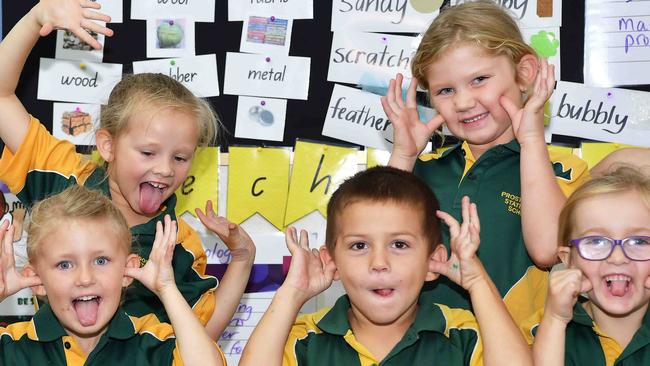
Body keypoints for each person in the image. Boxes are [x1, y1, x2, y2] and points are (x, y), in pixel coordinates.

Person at [0, 0, 255, 338]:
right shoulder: (62, 174)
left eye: (180, 158)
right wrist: (35, 19)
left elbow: (201, 336)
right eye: (148, 152)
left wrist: (243, 259)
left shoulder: (177, 244)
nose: (165, 169)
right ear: (107, 145)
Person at [380, 0, 589, 325]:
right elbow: (374, 239)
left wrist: (532, 140)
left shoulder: (562, 170)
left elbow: (548, 249)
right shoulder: (420, 170)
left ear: (524, 73)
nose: (463, 102)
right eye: (446, 90)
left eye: (479, 80)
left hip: (515, 351)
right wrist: (404, 155)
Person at [239, 167, 532, 366]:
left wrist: (477, 282)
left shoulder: (461, 335)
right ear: (332, 262)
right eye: (359, 246)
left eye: (399, 245)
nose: (379, 263)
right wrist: (291, 294)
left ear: (433, 261)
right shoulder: (306, 339)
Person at [0, 185, 225, 365]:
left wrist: (167, 288)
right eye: (65, 264)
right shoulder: (13, 347)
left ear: (127, 271)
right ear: (37, 280)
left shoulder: (151, 343)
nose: (86, 278)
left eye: (101, 261)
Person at [523, 167, 650, 365]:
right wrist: (555, 320)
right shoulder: (544, 328)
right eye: (597, 241)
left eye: (639, 242)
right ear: (568, 260)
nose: (618, 258)